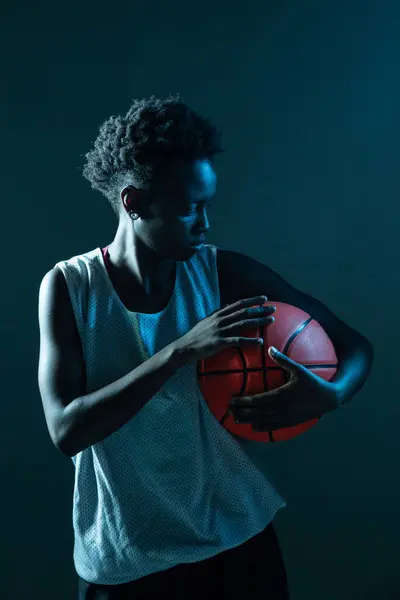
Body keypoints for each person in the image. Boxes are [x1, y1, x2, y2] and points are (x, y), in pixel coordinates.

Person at [37, 94, 373, 599]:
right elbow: (66, 429)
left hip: (235, 539)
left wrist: (332, 393)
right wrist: (180, 350)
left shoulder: (222, 272)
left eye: (208, 205)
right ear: (134, 202)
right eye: (191, 209)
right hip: (127, 559)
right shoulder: (71, 286)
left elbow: (355, 346)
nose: (206, 223)